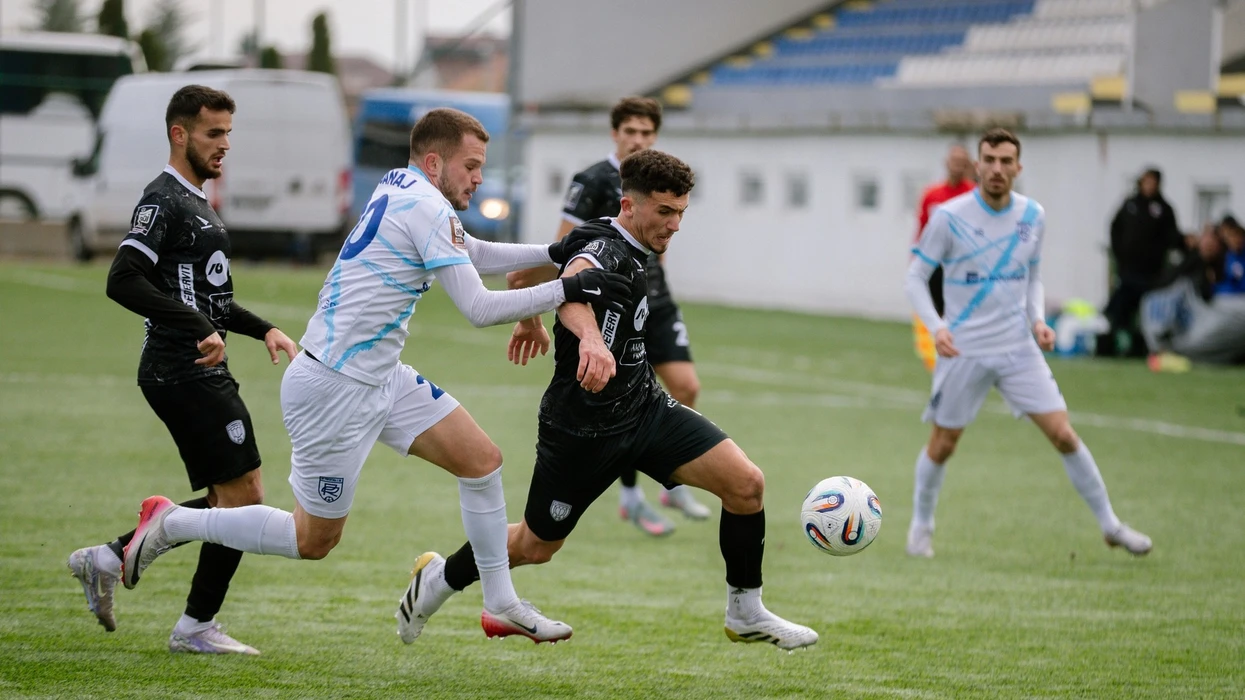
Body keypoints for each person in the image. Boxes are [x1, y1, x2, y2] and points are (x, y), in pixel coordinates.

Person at [115, 108, 633, 646]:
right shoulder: (424, 205)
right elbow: (479, 308)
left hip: (380, 376)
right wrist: (568, 288)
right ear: (434, 163)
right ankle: (172, 522)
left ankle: (500, 602)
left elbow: (470, 251)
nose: (479, 178)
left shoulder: (405, 186)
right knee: (313, 540)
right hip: (335, 387)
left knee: (482, 461)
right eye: (471, 166)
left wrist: (557, 252)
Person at [396, 149, 820, 651]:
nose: (675, 225)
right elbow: (571, 288)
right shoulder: (603, 247)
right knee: (534, 546)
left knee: (747, 485)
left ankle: (745, 611)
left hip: (645, 409)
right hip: (581, 429)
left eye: (681, 212)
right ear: (629, 205)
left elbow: (523, 275)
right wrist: (591, 339)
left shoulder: (622, 240)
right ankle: (439, 578)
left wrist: (529, 320)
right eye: (665, 212)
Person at [67, 85, 299, 655]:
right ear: (179, 133)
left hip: (199, 368)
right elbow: (123, 279)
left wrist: (262, 328)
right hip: (180, 369)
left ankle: (110, 559)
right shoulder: (163, 199)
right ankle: (192, 623)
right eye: (213, 133)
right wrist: (197, 326)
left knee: (235, 499)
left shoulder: (198, 201)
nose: (224, 145)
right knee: (244, 500)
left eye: (228, 133)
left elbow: (209, 299)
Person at [904, 128, 1153, 560]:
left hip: (1018, 347)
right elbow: (915, 277)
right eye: (989, 160)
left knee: (1064, 435)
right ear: (978, 165)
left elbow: (1032, 277)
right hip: (964, 348)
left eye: (1006, 161)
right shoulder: (949, 217)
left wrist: (1037, 320)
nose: (997, 169)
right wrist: (936, 326)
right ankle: (921, 528)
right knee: (943, 444)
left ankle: (1111, 526)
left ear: (1018, 167)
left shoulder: (1032, 215)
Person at [506, 96, 710, 538]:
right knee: (622, 395)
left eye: (646, 132)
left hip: (652, 299)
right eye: (630, 131)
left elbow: (655, 248)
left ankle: (669, 485)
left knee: (686, 386)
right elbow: (563, 251)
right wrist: (535, 309)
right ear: (615, 133)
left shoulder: (662, 181)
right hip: (606, 299)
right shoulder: (593, 180)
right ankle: (632, 496)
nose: (637, 139)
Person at [1099, 168, 1186, 357]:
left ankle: (1140, 347)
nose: (1149, 186)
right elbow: (1115, 229)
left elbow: (1172, 237)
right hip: (1128, 270)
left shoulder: (1164, 209)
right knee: (1121, 308)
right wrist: (1119, 255)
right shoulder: (1130, 204)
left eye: (1153, 182)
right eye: (1146, 181)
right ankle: (1112, 343)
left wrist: (1186, 242)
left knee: (1145, 311)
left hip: (1151, 274)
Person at [912, 145, 976, 372]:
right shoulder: (932, 194)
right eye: (954, 160)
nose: (957, 165)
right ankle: (938, 360)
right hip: (936, 266)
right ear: (946, 162)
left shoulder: (974, 195)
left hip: (962, 267)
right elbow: (922, 229)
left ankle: (963, 361)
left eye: (962, 161)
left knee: (961, 316)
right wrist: (915, 260)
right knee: (935, 315)